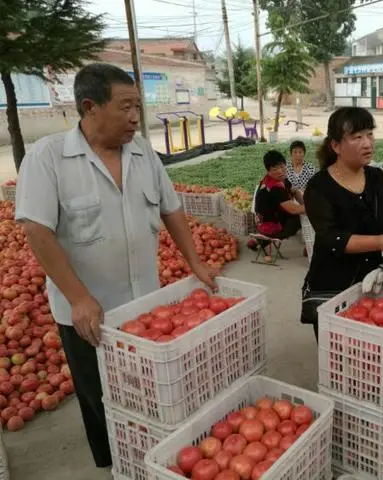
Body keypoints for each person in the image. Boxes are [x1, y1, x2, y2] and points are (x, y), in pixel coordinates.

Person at [14, 63, 219, 469]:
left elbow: (171, 209)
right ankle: (116, 466)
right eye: (125, 107)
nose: (134, 118)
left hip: (144, 305)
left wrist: (195, 262)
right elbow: (37, 231)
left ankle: (153, 461)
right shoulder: (48, 158)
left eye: (137, 107)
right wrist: (79, 298)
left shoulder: (142, 152)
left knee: (147, 391)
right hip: (88, 313)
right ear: (90, 107)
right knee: (100, 396)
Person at [302, 107, 383, 340]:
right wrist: (381, 242)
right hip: (332, 282)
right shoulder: (319, 187)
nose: (367, 143)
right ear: (335, 145)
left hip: (371, 281)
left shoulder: (377, 178)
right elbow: (332, 239)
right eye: (357, 137)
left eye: (370, 134)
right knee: (336, 353)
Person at [254, 150, 305, 240]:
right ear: (268, 171)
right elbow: (293, 209)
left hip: (263, 222)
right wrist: (313, 207)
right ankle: (269, 239)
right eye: (275, 169)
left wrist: (304, 203)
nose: (280, 171)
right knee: (298, 218)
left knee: (296, 194)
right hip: (270, 228)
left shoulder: (276, 179)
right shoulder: (274, 188)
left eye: (282, 166)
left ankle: (260, 241)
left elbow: (292, 190)